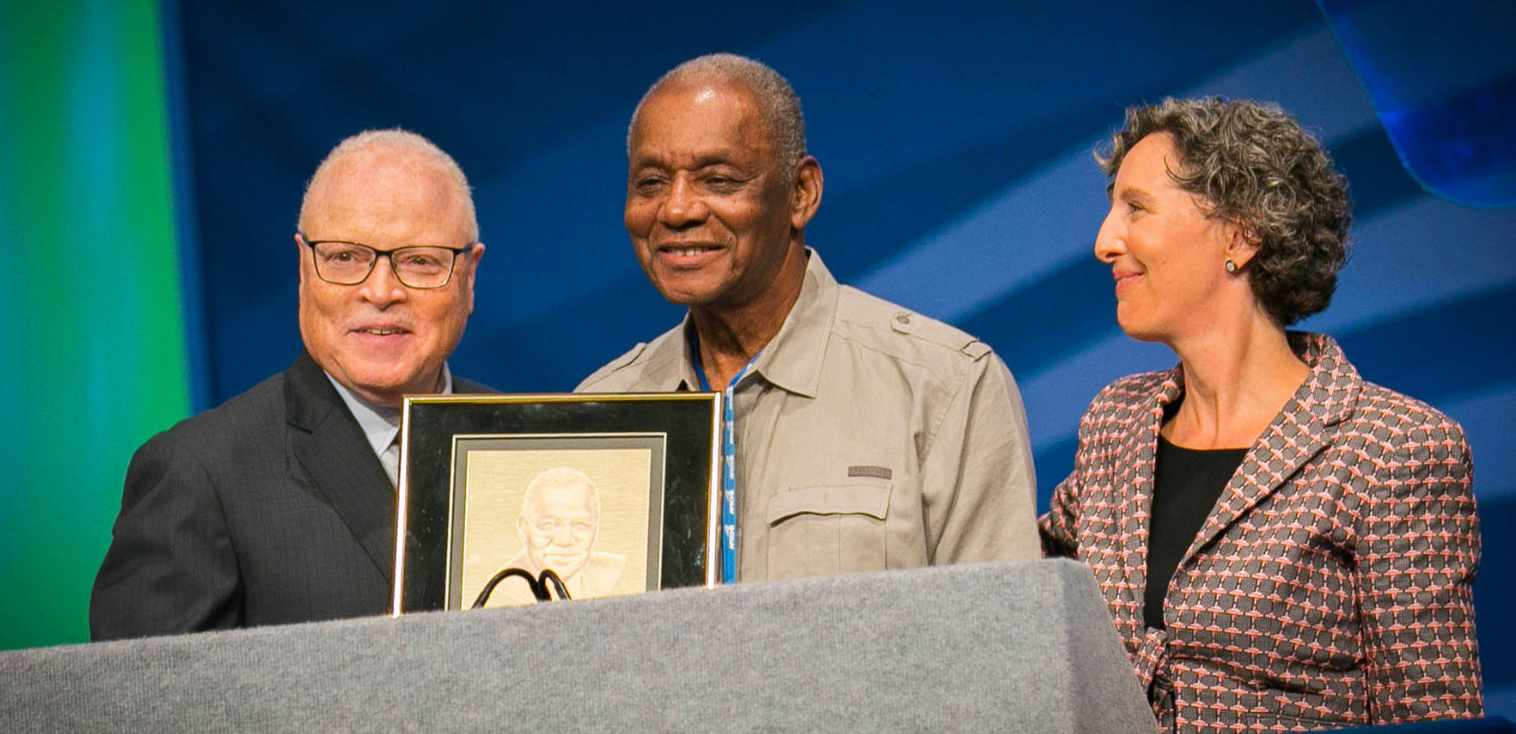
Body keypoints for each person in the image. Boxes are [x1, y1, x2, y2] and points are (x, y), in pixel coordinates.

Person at [1039, 98, 1482, 732]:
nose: (1104, 242)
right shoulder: (1117, 423)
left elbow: (1433, 722)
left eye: (1135, 208)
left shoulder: (1394, 449)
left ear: (1242, 235)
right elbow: (1018, 578)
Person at [578, 54, 1040, 582]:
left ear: (801, 193)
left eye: (718, 180)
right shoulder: (602, 412)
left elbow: (1003, 646)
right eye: (652, 183)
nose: (678, 210)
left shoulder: (946, 389)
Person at [90, 129, 491, 638]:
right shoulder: (198, 473)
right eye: (345, 257)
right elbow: (143, 708)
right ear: (304, 268)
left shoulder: (527, 447)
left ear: (469, 277)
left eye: (419, 260)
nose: (381, 291)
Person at [493, 467, 627, 605]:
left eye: (580, 525)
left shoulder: (620, 574)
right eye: (547, 525)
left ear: (595, 529)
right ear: (523, 528)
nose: (564, 540)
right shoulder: (500, 588)